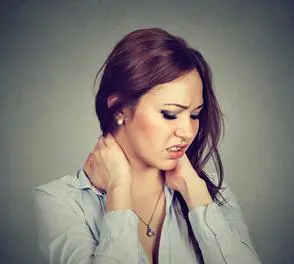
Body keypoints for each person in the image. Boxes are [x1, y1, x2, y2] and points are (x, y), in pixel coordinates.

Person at [35, 28, 262, 264]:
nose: (187, 132)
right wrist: (119, 189)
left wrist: (194, 192)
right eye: (170, 114)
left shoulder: (212, 192)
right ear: (119, 108)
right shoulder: (59, 201)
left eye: (195, 115)